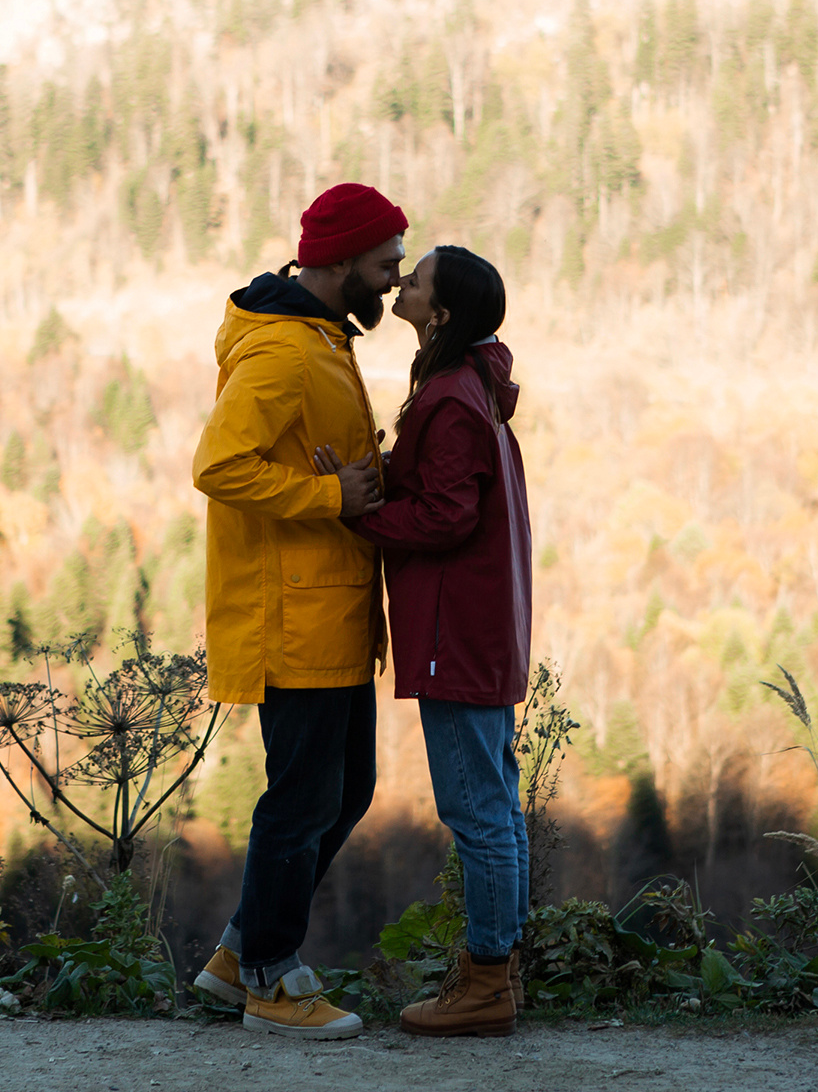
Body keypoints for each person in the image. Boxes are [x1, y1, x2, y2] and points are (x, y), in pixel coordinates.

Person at [187, 182, 408, 1040]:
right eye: (386, 264)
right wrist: (326, 493)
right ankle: (275, 983)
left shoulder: (320, 337)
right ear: (344, 259)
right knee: (300, 802)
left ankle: (238, 957)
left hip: (333, 614)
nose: (393, 280)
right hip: (294, 619)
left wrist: (355, 480)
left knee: (345, 791)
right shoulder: (282, 352)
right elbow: (218, 466)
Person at [325, 244, 533, 1038]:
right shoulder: (472, 380)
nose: (401, 285)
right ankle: (498, 971)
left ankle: (485, 984)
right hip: (485, 622)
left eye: (417, 281)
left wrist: (357, 513)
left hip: (455, 627)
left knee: (476, 810)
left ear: (439, 315)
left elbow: (447, 517)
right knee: (498, 804)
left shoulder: (448, 396)